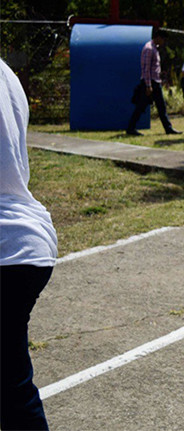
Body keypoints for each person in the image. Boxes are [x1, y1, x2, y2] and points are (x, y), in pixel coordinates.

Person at [1, 58, 58, 431]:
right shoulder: (6, 72)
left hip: (7, 246)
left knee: (11, 390)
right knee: (12, 388)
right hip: (26, 239)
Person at [126, 28, 181, 136]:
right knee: (142, 106)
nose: (164, 42)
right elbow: (146, 68)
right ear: (158, 37)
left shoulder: (154, 48)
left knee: (159, 106)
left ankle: (168, 128)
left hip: (154, 81)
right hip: (151, 82)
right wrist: (148, 85)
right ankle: (131, 128)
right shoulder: (149, 49)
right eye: (163, 39)